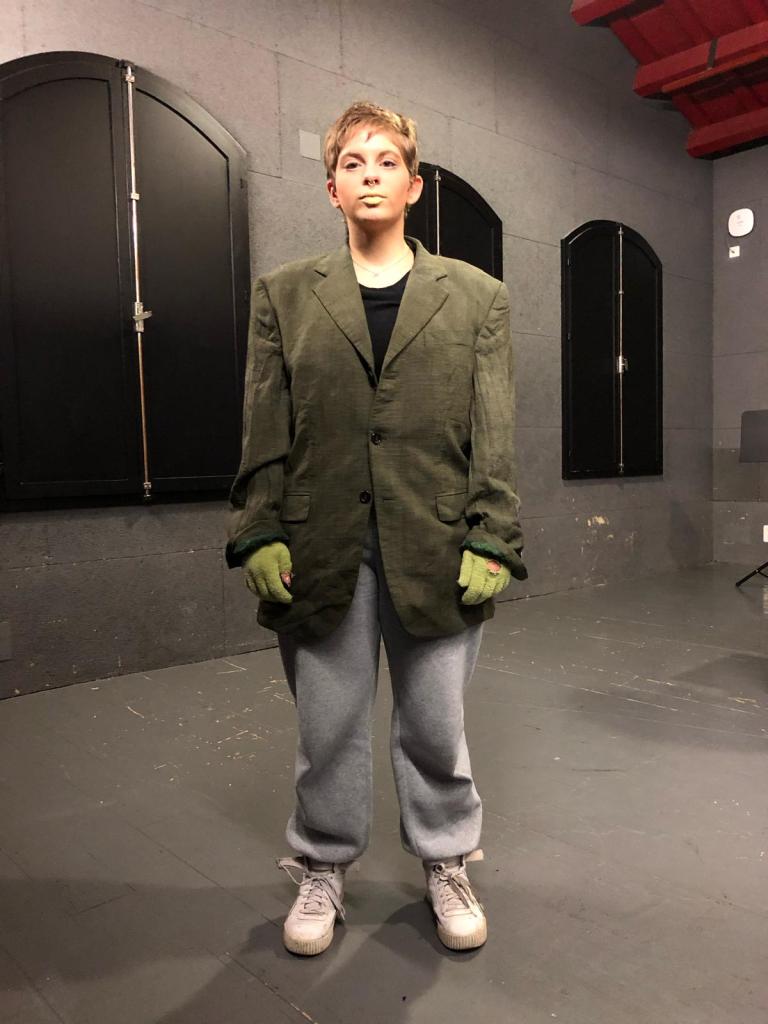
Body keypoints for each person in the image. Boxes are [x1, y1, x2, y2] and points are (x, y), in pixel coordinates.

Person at [225, 100, 527, 956]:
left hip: (437, 543)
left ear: (413, 184)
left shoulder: (477, 297)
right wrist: (258, 528)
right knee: (327, 729)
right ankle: (323, 863)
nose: (369, 175)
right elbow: (264, 422)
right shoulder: (284, 295)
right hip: (320, 546)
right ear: (331, 188)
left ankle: (446, 858)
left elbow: (494, 430)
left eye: (386, 161)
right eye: (352, 163)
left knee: (435, 725)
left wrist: (493, 534)